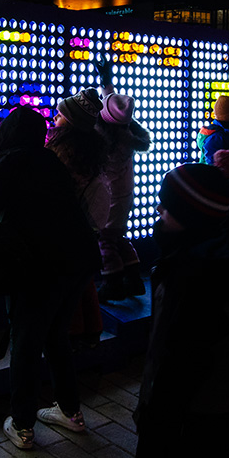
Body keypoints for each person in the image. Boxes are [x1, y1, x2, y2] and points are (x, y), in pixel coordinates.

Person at [0, 107, 99, 449]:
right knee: (56, 335)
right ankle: (71, 412)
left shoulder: (7, 161)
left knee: (27, 342)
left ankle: (22, 425)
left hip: (40, 266)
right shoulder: (49, 160)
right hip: (79, 259)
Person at [134, 157, 229, 458]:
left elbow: (178, 365)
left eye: (166, 207)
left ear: (190, 217)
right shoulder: (219, 261)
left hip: (188, 421)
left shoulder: (191, 280)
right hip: (216, 414)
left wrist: (154, 429)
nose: (158, 211)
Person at [46, 88, 109, 347]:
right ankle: (89, 332)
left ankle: (72, 338)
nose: (54, 119)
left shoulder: (61, 156)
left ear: (71, 122)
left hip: (64, 238)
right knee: (83, 285)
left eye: (60, 115)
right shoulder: (93, 156)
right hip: (86, 236)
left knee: (64, 302)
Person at [95, 91, 153, 301]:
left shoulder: (107, 142)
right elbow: (115, 108)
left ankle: (112, 282)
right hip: (125, 194)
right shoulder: (127, 134)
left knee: (105, 239)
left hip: (111, 197)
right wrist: (107, 85)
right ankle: (134, 279)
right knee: (118, 236)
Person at [197, 95, 229, 240]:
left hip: (227, 196)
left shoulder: (225, 134)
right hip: (223, 197)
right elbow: (214, 171)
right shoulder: (219, 137)